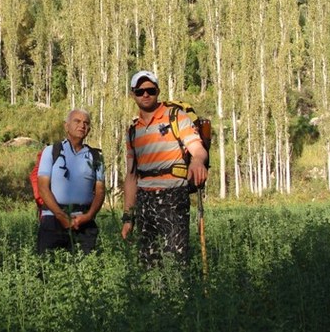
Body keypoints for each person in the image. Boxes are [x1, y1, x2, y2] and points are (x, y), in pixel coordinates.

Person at [120, 70, 208, 266]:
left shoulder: (176, 117)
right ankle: (153, 297)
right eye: (140, 91)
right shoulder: (133, 130)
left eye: (150, 90)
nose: (145, 94)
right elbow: (131, 176)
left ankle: (178, 296)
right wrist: (128, 217)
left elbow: (198, 150)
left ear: (157, 91)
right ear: (133, 94)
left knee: (175, 261)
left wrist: (196, 161)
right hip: (144, 201)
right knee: (148, 262)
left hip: (172, 198)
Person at [36, 108, 105, 255]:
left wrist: (89, 216)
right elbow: (42, 187)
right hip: (53, 219)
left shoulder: (96, 156)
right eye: (77, 121)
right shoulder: (51, 151)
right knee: (48, 269)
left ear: (89, 129)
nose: (82, 126)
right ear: (66, 126)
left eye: (86, 123)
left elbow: (100, 191)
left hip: (84, 222)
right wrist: (61, 216)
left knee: (86, 270)